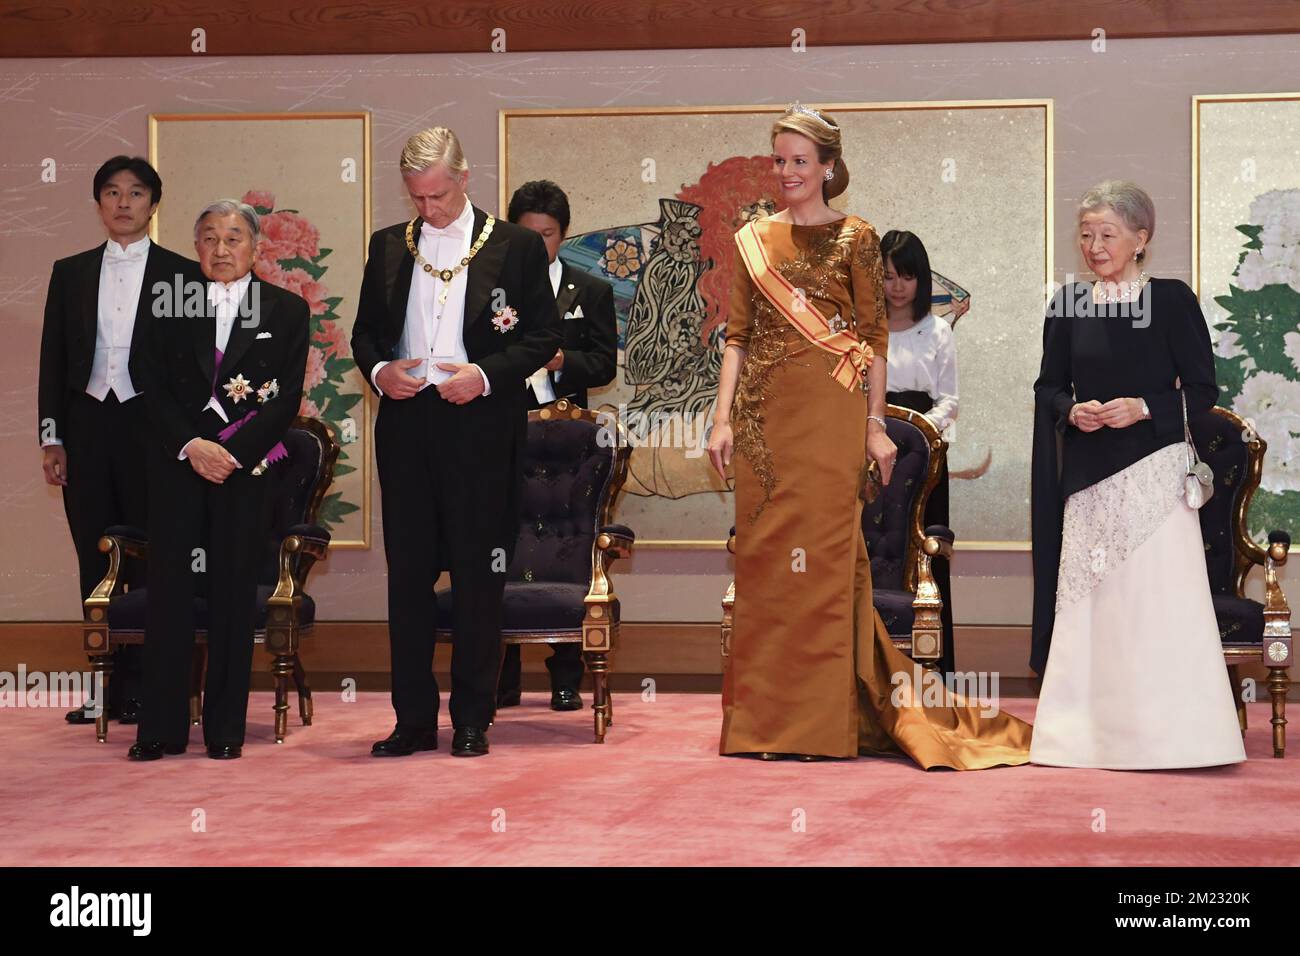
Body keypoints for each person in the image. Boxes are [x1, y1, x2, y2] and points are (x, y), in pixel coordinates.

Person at [706, 105, 1032, 766]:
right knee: (768, 568)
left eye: (802, 161)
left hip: (831, 420)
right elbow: (736, 337)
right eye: (781, 160)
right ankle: (764, 723)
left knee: (823, 566)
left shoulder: (857, 237)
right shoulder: (752, 238)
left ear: (829, 167)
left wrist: (875, 426)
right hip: (765, 426)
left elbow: (873, 340)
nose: (789, 172)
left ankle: (821, 725)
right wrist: (720, 418)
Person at [351, 127, 559, 758]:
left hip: (481, 426)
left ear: (465, 179)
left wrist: (487, 375)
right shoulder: (388, 245)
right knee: (407, 578)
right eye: (417, 197)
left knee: (477, 577)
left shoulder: (517, 246)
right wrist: (382, 375)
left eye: (438, 195)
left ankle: (473, 718)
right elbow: (364, 336)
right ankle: (411, 720)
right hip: (408, 426)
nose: (428, 209)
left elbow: (542, 338)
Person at [1030, 180, 1245, 769]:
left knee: (1154, 602)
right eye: (1086, 234)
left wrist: (1144, 407)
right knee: (1091, 603)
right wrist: (1070, 410)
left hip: (1153, 470)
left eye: (1108, 234)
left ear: (1140, 238)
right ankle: (1081, 738)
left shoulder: (1172, 299)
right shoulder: (1068, 303)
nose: (1095, 246)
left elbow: (1204, 390)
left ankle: (1173, 739)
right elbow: (1047, 386)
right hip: (1087, 472)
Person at [129, 199, 309, 761]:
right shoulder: (166, 303)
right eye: (209, 238)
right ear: (196, 246)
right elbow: (147, 381)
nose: (221, 249)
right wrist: (191, 446)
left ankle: (225, 728)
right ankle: (160, 727)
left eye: (234, 238)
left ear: (257, 248)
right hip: (178, 465)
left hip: (243, 469)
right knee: (170, 596)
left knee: (233, 593)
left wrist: (230, 453)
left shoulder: (283, 309)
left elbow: (284, 398)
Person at [38, 156, 199, 726]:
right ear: (98, 202)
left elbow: (193, 365)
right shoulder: (70, 272)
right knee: (95, 556)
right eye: (111, 192)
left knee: (156, 557)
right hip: (87, 429)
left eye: (135, 193)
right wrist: (51, 437)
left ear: (154, 204)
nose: (123, 203)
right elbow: (53, 360)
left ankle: (152, 687)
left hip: (154, 431)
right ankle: (104, 688)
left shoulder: (183, 274)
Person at [497, 179, 618, 712]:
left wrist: (560, 359)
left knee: (567, 551)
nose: (538, 244)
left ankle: (566, 674)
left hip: (570, 442)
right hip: (503, 431)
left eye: (547, 234)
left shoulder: (588, 289)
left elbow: (605, 363)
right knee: (503, 545)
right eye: (528, 234)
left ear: (562, 235)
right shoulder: (493, 289)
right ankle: (499, 676)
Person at [881, 229, 964, 675]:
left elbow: (949, 401)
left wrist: (914, 436)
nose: (896, 287)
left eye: (906, 277)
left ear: (921, 279)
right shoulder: (864, 329)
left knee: (926, 556)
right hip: (869, 452)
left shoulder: (937, 330)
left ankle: (935, 673)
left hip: (924, 456)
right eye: (888, 276)